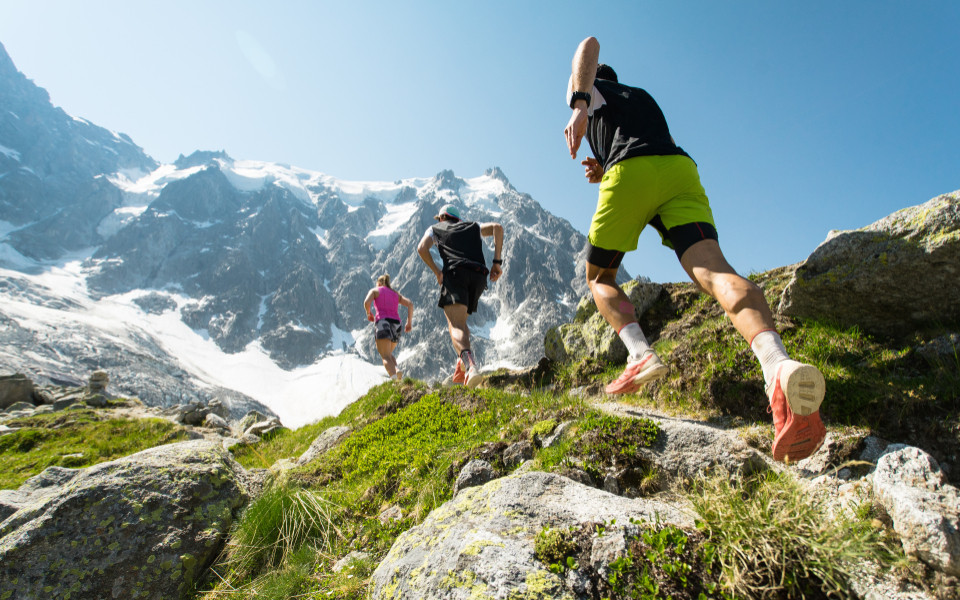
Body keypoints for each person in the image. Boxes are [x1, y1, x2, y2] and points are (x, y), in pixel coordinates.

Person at [562, 36, 826, 462]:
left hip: (631, 175)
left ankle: (640, 355)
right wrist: (603, 164)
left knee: (599, 278)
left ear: (593, 83)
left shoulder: (590, 91)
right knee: (715, 272)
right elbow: (633, 141)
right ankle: (777, 366)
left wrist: (577, 103)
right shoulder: (639, 97)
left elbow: (586, 45)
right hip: (678, 170)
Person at [417, 204, 504, 389]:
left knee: (454, 324)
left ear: (442, 218)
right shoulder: (472, 226)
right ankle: (461, 368)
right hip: (479, 275)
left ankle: (471, 366)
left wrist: (437, 272)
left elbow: (421, 248)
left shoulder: (435, 229)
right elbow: (498, 228)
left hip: (456, 273)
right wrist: (496, 262)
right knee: (461, 322)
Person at [362, 274, 414, 380]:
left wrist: (368, 313)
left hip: (383, 322)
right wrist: (409, 322)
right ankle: (397, 370)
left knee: (384, 356)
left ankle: (394, 380)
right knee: (388, 354)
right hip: (397, 324)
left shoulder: (375, 291)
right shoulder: (395, 294)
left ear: (379, 283)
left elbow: (366, 302)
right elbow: (410, 304)